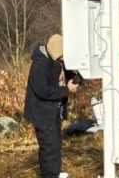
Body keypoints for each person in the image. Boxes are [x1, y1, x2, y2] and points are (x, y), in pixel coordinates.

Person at [24, 33, 78, 178]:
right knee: (49, 145)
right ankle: (50, 175)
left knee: (55, 143)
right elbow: (44, 91)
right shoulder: (40, 65)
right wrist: (66, 90)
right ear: (55, 52)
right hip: (42, 113)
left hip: (51, 111)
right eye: (61, 56)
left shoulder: (53, 61)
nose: (63, 60)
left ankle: (54, 172)